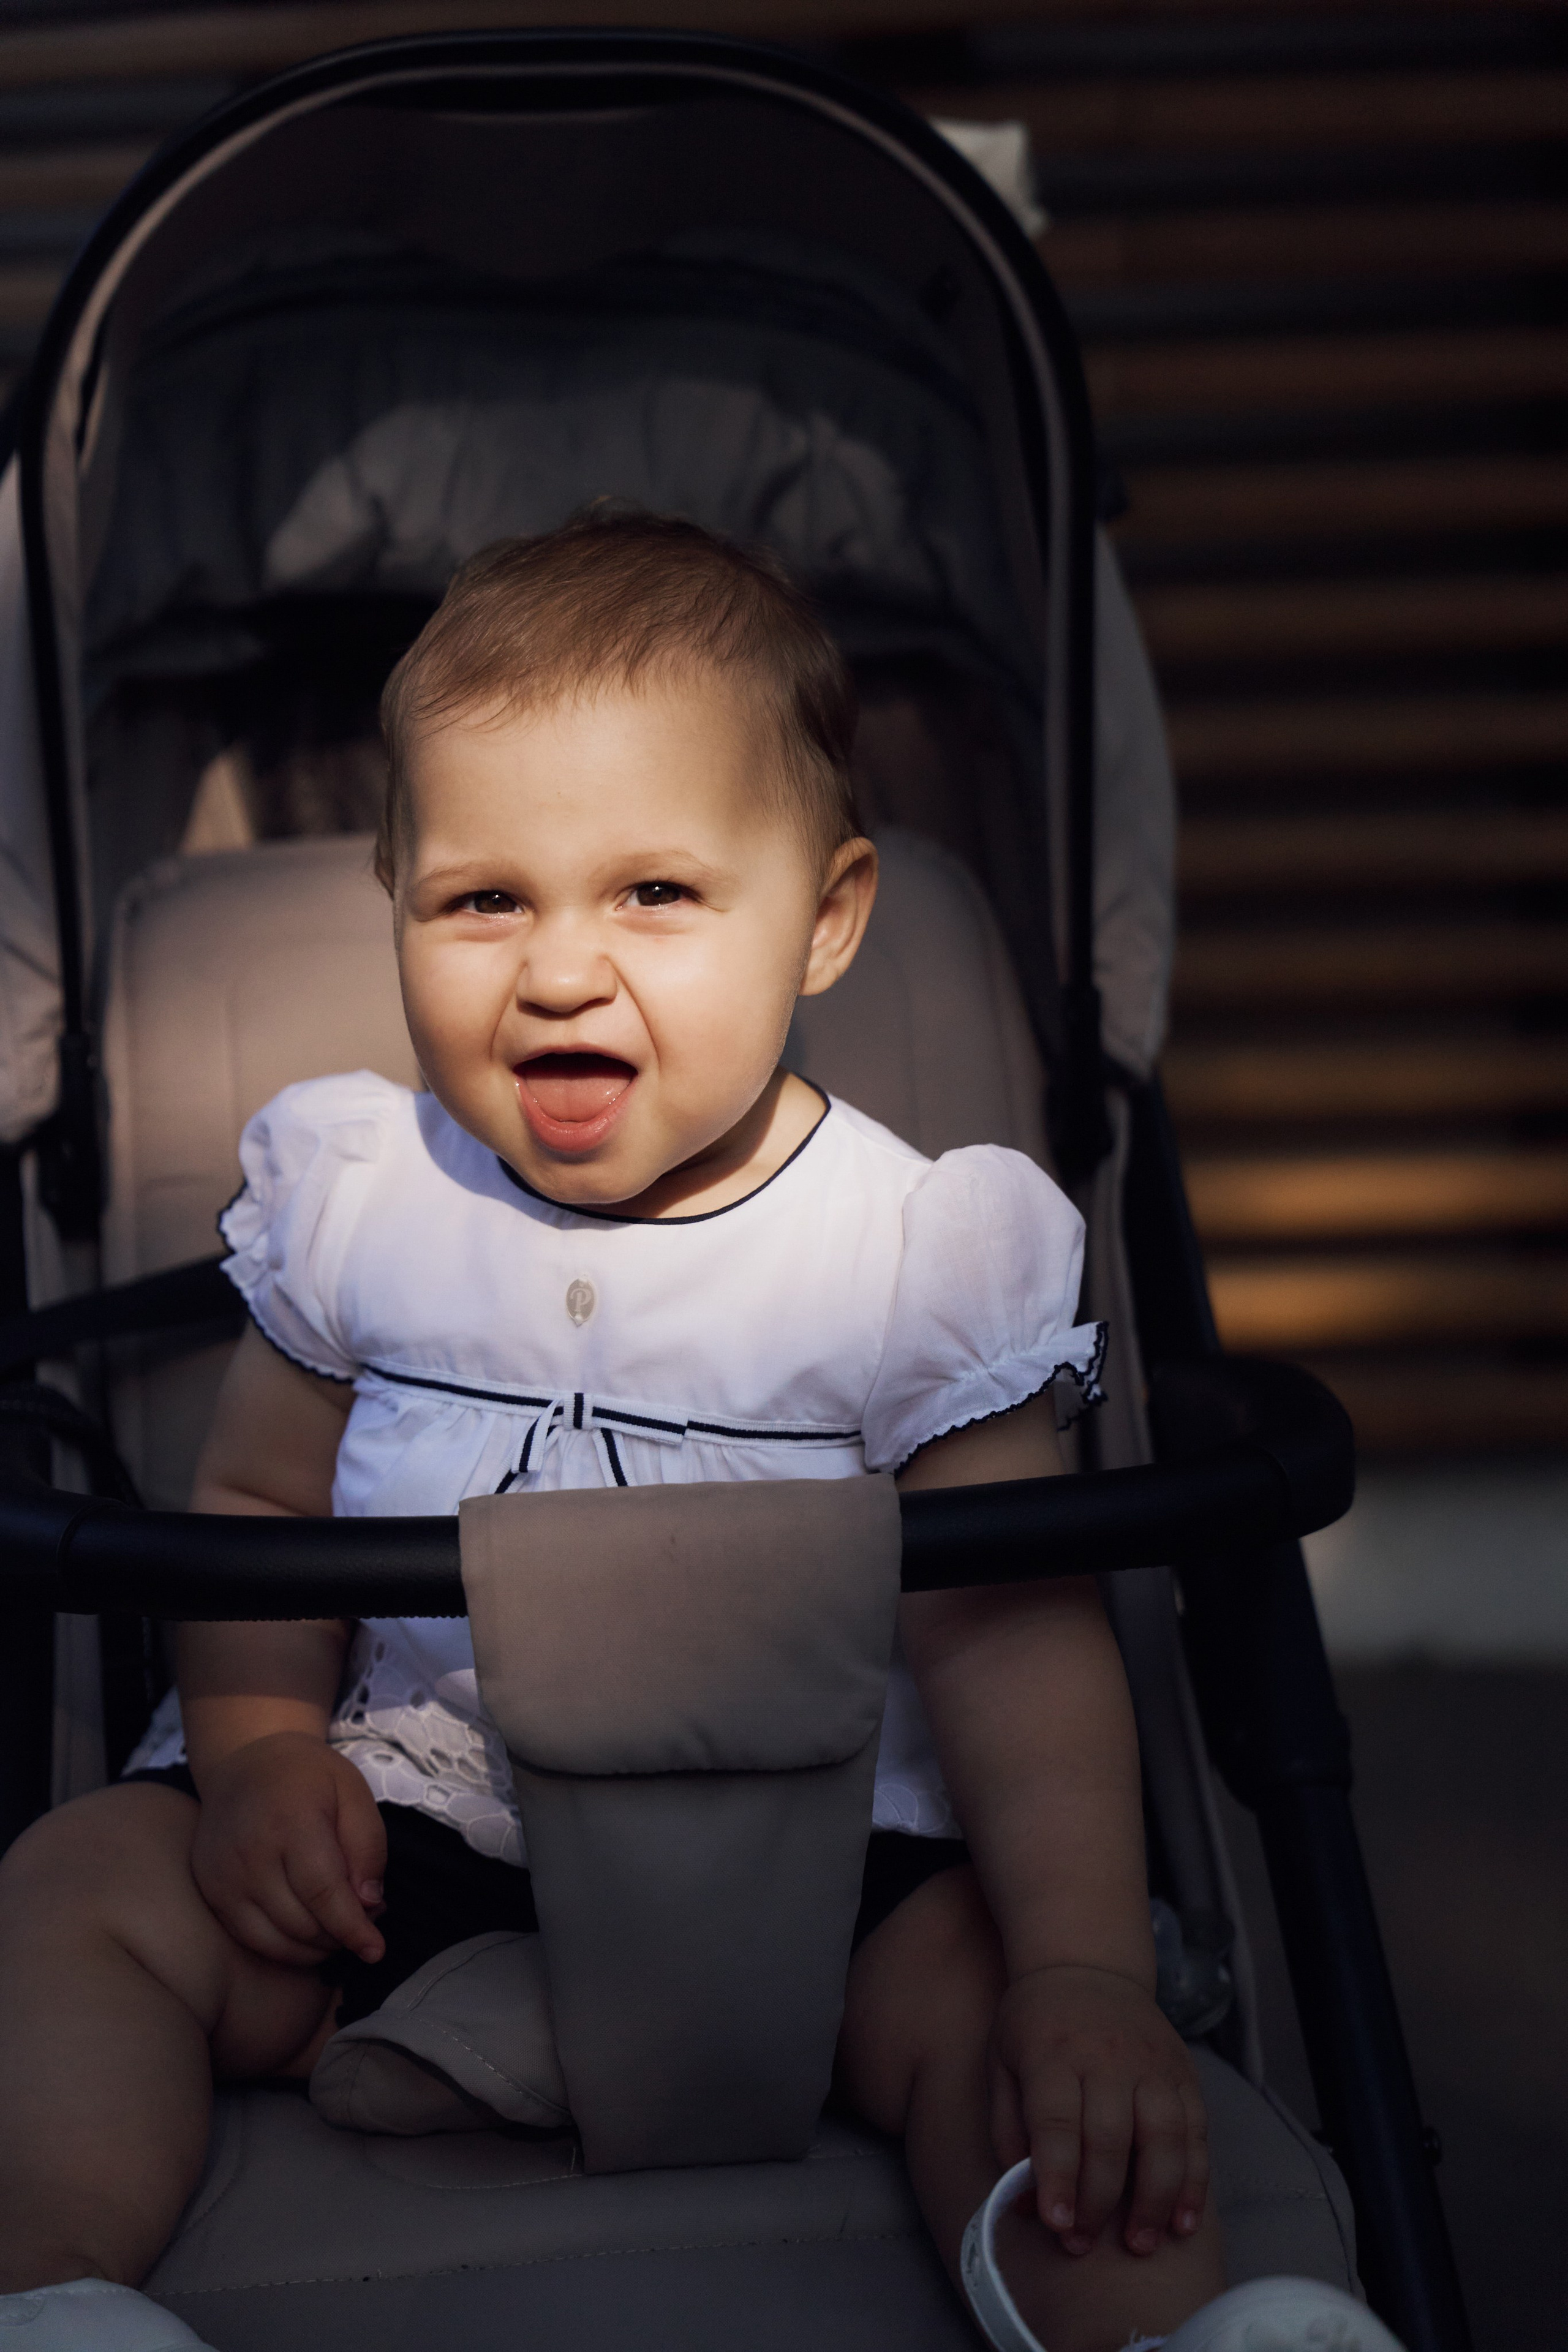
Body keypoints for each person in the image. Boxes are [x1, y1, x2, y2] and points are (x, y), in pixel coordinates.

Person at [0, 514, 1379, 2352]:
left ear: (824, 918)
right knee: (82, 1888)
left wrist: (1077, 1967)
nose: (560, 971)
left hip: (813, 1874)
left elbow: (1010, 1628)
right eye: (485, 899)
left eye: (654, 893)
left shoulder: (907, 1254)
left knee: (1012, 2015)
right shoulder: (359, 1196)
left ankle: (1153, 2329)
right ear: (396, 900)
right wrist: (255, 1757)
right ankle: (52, 2291)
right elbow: (257, 1500)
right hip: (406, 1835)